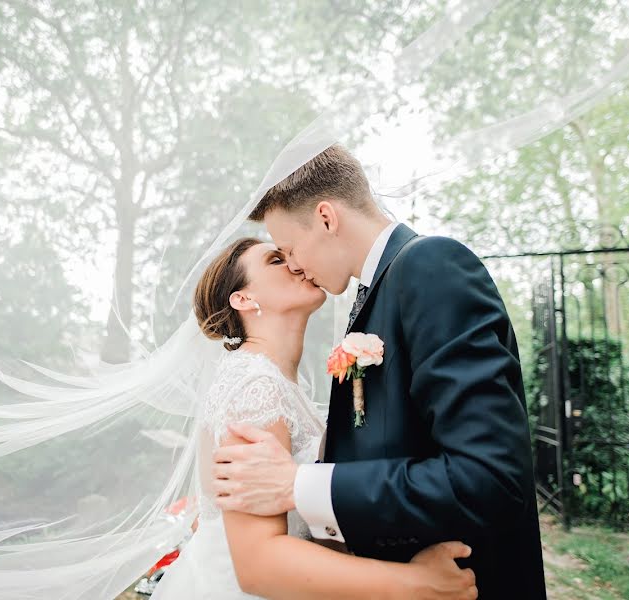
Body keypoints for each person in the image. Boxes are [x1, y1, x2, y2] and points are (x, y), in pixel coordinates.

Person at [210, 145, 547, 599]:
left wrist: (296, 484)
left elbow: (490, 478)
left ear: (327, 218)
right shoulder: (375, 298)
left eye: (288, 249)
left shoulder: (430, 266)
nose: (293, 266)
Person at [151, 236, 478, 599]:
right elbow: (259, 563)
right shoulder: (251, 385)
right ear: (243, 299)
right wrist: (414, 582)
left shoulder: (281, 383)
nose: (294, 263)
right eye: (276, 260)